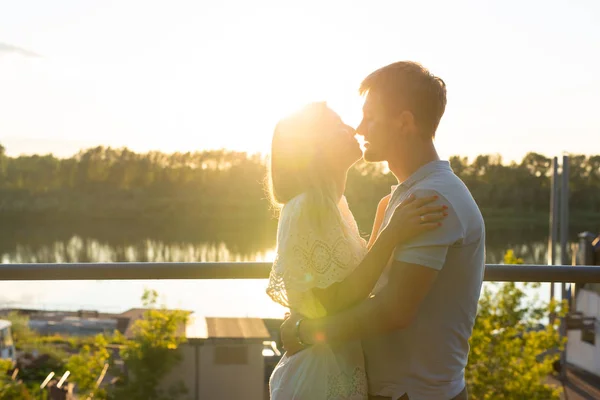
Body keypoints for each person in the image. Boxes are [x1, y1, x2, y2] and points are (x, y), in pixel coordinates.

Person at [281, 62, 485, 400]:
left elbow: (393, 311)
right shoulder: (401, 198)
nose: (359, 127)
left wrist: (307, 332)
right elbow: (367, 284)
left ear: (404, 122)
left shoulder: (431, 199)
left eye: (370, 116)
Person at [266, 101, 448, 399]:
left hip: (340, 367)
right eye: (338, 125)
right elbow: (328, 302)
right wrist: (391, 235)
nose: (352, 128)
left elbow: (355, 281)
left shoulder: (335, 205)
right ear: (315, 147)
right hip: (318, 378)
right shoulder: (305, 207)